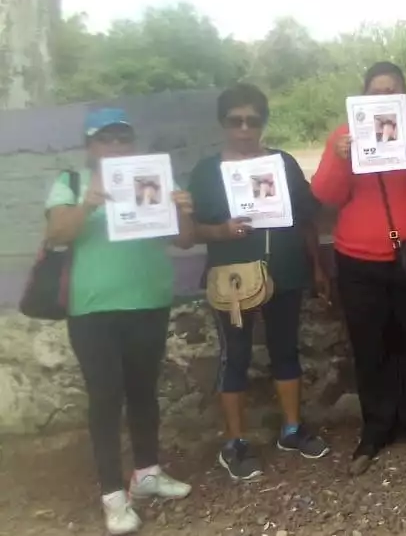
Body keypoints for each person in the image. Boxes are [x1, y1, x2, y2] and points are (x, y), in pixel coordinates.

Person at [45, 108, 197, 535]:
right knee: (106, 399)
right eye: (105, 139)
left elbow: (184, 239)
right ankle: (113, 497)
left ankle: (147, 474)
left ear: (132, 142)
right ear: (90, 146)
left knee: (144, 392)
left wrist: (183, 209)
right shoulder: (71, 182)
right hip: (92, 309)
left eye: (122, 139)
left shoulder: (156, 176)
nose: (114, 147)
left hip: (148, 302)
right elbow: (56, 234)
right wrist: (87, 203)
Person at [312, 62, 406, 475]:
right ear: (363, 96)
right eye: (375, 90)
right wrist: (341, 160)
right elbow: (325, 195)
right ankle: (376, 428)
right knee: (370, 348)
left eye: (392, 90)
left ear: (404, 96)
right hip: (358, 259)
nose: (383, 96)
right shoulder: (344, 136)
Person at [187, 83, 331, 481]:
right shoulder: (206, 171)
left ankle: (291, 429)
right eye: (236, 121)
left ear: (263, 123)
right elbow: (189, 229)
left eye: (253, 121)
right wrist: (222, 231)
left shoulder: (282, 163)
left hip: (284, 271)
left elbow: (307, 218)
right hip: (231, 278)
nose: (245, 129)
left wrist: (317, 266)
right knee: (236, 356)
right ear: (223, 124)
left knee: (287, 350)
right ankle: (234, 441)